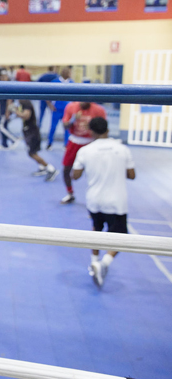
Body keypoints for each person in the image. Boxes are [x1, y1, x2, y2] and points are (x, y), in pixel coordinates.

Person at [71, 117, 135, 287]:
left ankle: (94, 261)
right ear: (108, 129)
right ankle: (104, 263)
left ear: (91, 131)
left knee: (96, 230)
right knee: (121, 237)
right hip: (116, 201)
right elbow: (132, 175)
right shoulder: (122, 149)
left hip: (94, 200)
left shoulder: (85, 151)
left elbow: (75, 176)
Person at [60, 101, 108, 204]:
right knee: (66, 169)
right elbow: (65, 126)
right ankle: (70, 193)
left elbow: (104, 129)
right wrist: (73, 119)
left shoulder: (98, 110)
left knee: (96, 171)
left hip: (91, 142)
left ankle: (98, 197)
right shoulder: (71, 107)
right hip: (74, 141)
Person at [12, 100, 57, 181]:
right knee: (34, 152)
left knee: (31, 153)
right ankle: (43, 168)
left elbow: (26, 116)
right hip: (29, 131)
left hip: (32, 132)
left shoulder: (26, 103)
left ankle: (51, 169)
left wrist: (15, 111)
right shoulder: (22, 103)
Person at [46, 67, 73, 150]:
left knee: (67, 128)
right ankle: (49, 143)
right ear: (63, 73)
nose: (69, 74)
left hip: (67, 109)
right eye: (67, 72)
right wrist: (50, 105)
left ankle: (66, 144)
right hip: (57, 109)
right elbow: (47, 94)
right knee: (53, 127)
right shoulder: (55, 82)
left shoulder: (72, 83)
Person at [0, 70, 19, 150]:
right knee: (3, 127)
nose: (2, 78)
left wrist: (7, 112)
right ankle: (4, 144)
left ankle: (14, 139)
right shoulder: (0, 85)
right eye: (1, 76)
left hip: (4, 111)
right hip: (0, 110)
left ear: (7, 77)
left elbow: (9, 100)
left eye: (4, 76)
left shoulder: (8, 86)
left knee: (0, 126)